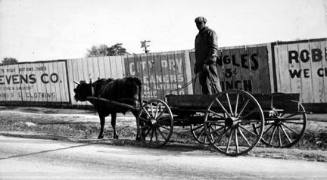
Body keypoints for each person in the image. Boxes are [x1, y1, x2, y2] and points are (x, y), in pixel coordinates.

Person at [194, 16, 222, 95]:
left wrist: (207, 62)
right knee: (204, 85)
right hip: (201, 65)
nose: (198, 25)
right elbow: (197, 52)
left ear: (204, 23)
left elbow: (214, 49)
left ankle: (221, 100)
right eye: (197, 24)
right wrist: (197, 65)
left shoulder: (211, 33)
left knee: (214, 83)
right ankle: (207, 103)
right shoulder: (197, 37)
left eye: (200, 23)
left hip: (209, 64)